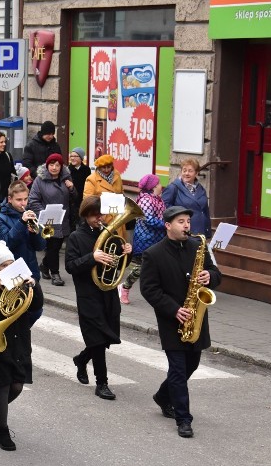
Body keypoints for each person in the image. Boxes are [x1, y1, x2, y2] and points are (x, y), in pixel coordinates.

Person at [140, 206, 222, 438]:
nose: (187, 225)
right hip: (171, 320)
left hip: (197, 317)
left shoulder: (198, 246)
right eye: (181, 221)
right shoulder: (153, 254)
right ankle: (183, 418)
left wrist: (210, 276)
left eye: (188, 221)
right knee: (177, 369)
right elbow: (149, 289)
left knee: (191, 365)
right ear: (167, 225)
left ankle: (163, 396)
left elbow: (216, 273)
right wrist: (174, 309)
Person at [0, 241, 42, 451]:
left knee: (17, 385)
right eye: (3, 266)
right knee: (4, 385)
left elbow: (37, 305)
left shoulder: (20, 283)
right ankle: (2, 431)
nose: (8, 269)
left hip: (19, 340)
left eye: (10, 264)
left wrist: (34, 284)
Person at [64, 195, 132, 401]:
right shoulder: (76, 237)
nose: (99, 218)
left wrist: (126, 254)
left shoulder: (107, 234)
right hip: (88, 295)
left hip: (107, 292)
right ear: (85, 215)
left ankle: (81, 359)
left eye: (101, 214)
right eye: (94, 215)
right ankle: (101, 383)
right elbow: (70, 266)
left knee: (104, 338)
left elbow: (118, 266)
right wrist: (92, 258)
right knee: (98, 338)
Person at [29, 153, 77, 287]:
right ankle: (55, 273)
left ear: (61, 167)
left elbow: (74, 198)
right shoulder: (40, 180)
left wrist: (72, 188)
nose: (54, 167)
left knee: (55, 246)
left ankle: (44, 266)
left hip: (63, 219)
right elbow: (33, 200)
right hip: (48, 220)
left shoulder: (66, 178)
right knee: (53, 247)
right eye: (52, 164)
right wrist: (44, 213)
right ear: (47, 165)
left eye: (57, 165)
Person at [0, 181, 47, 298]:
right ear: (10, 199)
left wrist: (34, 234)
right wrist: (21, 223)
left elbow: (40, 246)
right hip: (11, 273)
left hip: (31, 271)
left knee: (34, 311)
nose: (23, 203)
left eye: (25, 199)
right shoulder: (0, 220)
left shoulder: (30, 217)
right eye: (19, 200)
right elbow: (6, 245)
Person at [120, 173, 165, 304]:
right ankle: (124, 287)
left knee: (157, 267)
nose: (161, 186)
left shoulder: (158, 199)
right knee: (142, 267)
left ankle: (157, 293)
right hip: (146, 239)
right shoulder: (146, 199)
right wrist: (165, 225)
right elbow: (148, 219)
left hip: (158, 238)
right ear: (153, 186)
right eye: (159, 183)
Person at [162, 159, 211, 237]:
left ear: (196, 173)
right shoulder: (173, 188)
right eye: (184, 171)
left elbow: (205, 211)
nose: (186, 173)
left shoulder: (201, 189)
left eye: (190, 171)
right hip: (184, 233)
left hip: (200, 233)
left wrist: (208, 232)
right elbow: (164, 209)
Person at [83, 154, 125, 238]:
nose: (106, 170)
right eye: (103, 167)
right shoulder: (91, 179)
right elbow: (88, 201)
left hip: (118, 217)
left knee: (119, 244)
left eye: (109, 167)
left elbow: (121, 193)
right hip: (102, 218)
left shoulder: (117, 175)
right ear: (98, 168)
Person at [66, 147, 91, 232]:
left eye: (75, 156)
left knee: (82, 222)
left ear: (81, 158)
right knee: (71, 223)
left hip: (82, 200)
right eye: (71, 156)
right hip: (71, 201)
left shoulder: (86, 170)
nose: (72, 158)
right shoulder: (67, 170)